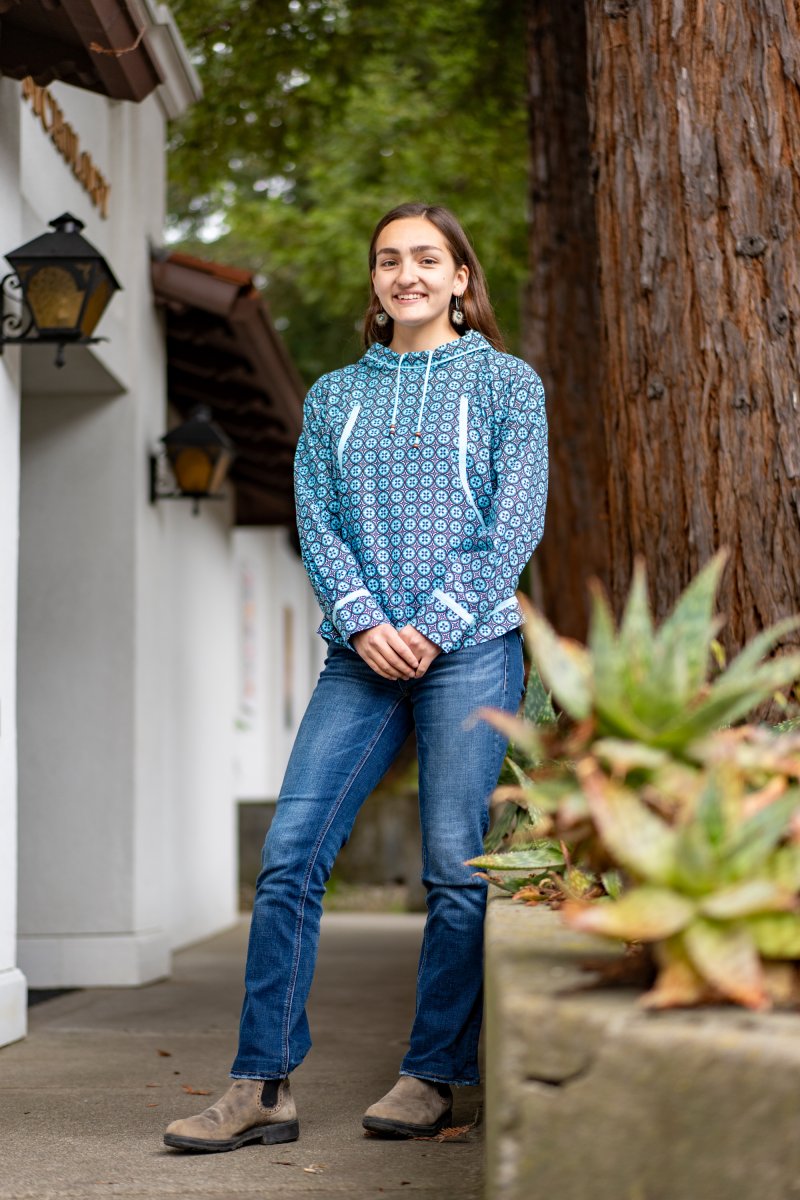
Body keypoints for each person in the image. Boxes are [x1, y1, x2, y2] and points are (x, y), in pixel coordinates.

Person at [164, 201, 548, 1153]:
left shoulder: (507, 385)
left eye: (426, 258)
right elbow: (317, 522)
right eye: (388, 261)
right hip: (361, 657)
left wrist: (434, 625)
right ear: (375, 282)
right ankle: (260, 1085)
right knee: (290, 854)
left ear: (462, 277)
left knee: (457, 870)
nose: (405, 274)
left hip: (471, 649)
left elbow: (517, 520)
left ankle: (433, 1075)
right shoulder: (336, 396)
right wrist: (369, 621)